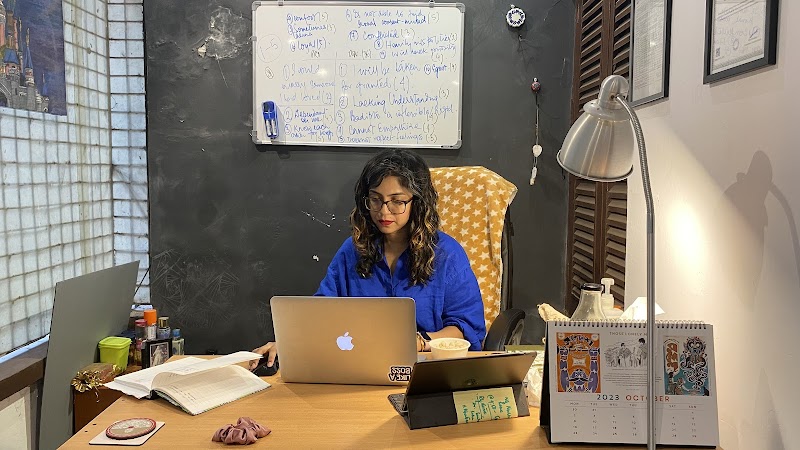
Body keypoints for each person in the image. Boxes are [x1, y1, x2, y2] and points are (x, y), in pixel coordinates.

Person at [250, 149, 486, 370]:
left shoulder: (447, 254)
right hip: (358, 367)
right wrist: (289, 342)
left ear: (418, 203)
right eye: (375, 199)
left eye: (397, 201)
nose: (384, 211)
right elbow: (322, 313)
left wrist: (420, 341)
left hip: (425, 368)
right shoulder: (353, 249)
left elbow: (465, 329)